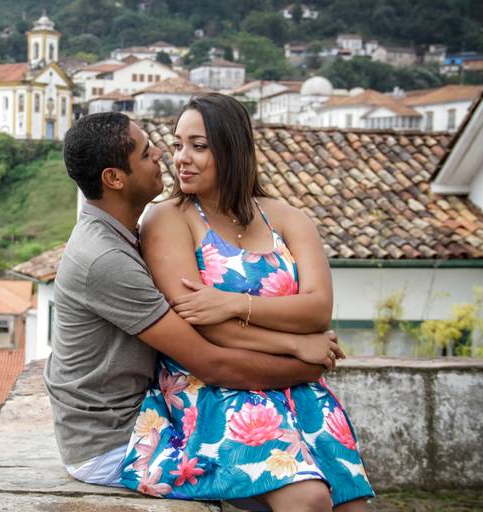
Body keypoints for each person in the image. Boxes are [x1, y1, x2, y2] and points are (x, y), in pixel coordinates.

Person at [44, 112, 343, 500]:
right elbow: (210, 361)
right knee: (305, 496)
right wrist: (304, 356)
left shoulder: (118, 234)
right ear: (114, 179)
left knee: (331, 483)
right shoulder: (104, 258)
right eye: (147, 152)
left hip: (145, 416)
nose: (165, 157)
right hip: (116, 442)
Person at [119, 94, 374, 511]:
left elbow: (317, 310)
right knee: (307, 498)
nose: (182, 158)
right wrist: (294, 342)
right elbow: (202, 324)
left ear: (233, 149)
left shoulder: (287, 218)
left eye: (198, 146)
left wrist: (234, 303)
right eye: (179, 144)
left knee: (350, 506)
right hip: (213, 392)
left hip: (297, 390)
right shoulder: (168, 218)